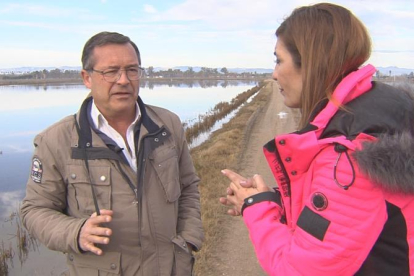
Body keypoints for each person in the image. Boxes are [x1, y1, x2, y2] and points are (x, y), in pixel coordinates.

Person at [220, 3, 414, 275]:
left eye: (278, 60)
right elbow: (342, 223)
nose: (274, 73)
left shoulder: (349, 156)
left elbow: (297, 269)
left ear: (310, 62)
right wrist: (272, 199)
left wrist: (255, 208)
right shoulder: (378, 112)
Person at [21, 31, 204, 275]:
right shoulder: (57, 140)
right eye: (111, 71)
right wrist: (75, 232)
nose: (123, 80)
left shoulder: (167, 125)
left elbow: (188, 186)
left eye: (132, 70)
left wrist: (189, 238)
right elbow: (34, 210)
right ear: (87, 77)